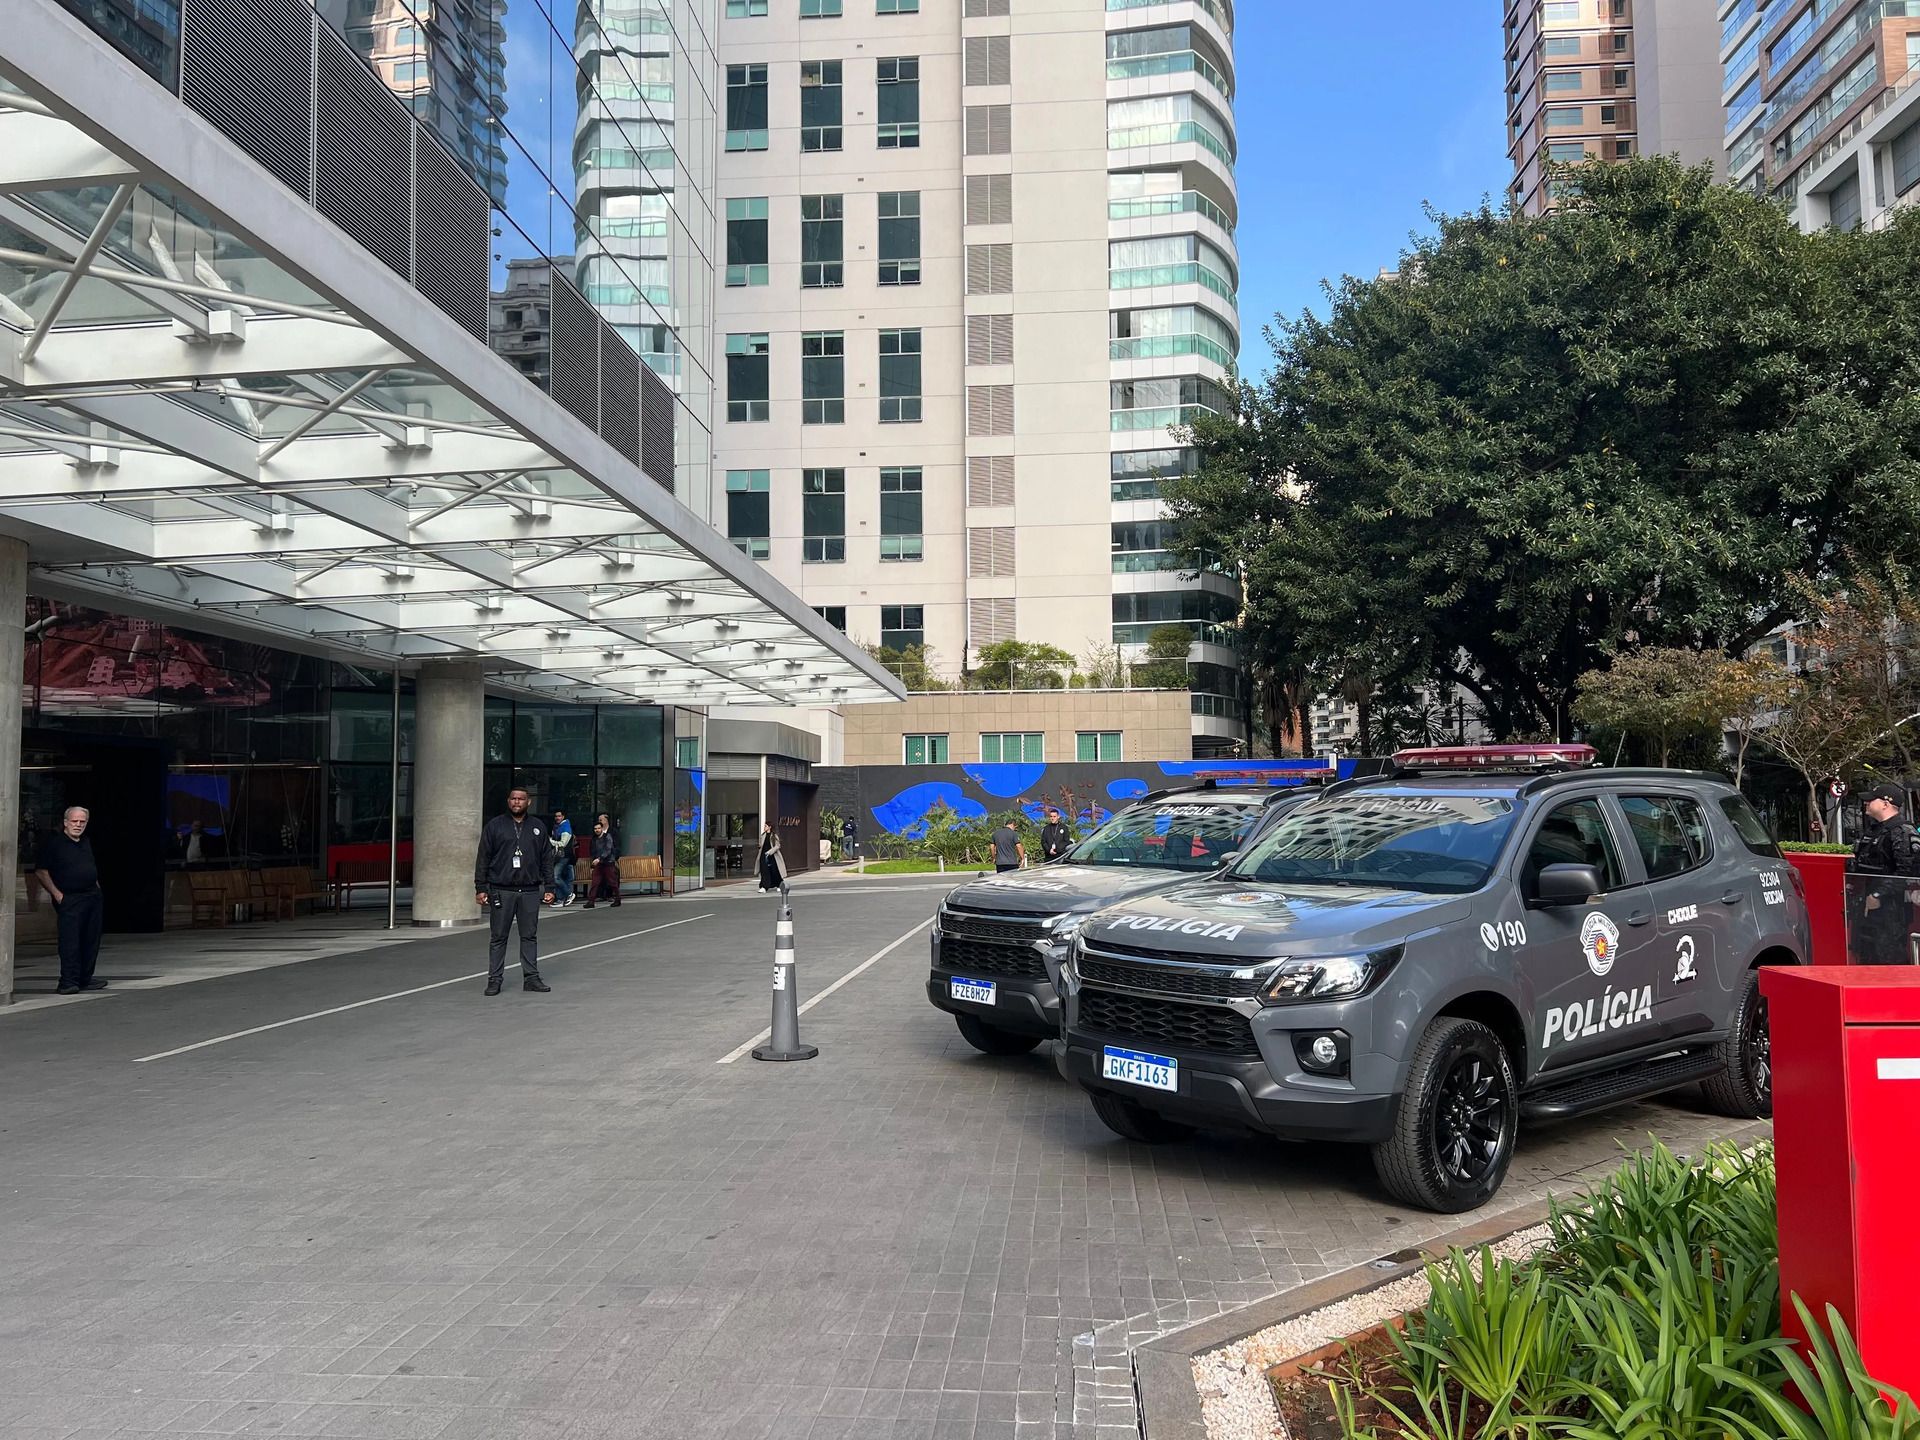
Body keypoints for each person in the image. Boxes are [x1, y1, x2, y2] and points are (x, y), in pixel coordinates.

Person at [473, 786, 556, 995]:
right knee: (498, 937)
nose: (517, 802)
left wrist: (549, 887)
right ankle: (494, 980)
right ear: (508, 801)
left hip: (529, 890)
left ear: (529, 802)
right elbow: (483, 858)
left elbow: (546, 859)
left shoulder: (538, 827)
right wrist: (481, 887)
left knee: (529, 936)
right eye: (513, 798)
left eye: (521, 799)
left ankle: (531, 978)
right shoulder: (495, 826)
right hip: (502, 890)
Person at [32, 806, 106, 995]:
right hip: (70, 898)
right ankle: (68, 981)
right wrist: (57, 895)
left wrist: (96, 887)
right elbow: (41, 871)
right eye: (74, 821)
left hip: (92, 896)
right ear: (65, 822)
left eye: (82, 822)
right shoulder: (54, 844)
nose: (78, 825)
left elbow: (90, 866)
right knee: (70, 941)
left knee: (90, 940)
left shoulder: (86, 842)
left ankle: (84, 978)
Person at [1848, 783, 1919, 965]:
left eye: (1872, 800)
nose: (1866, 803)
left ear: (1886, 804)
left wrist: (1878, 895)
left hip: (1891, 910)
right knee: (1864, 958)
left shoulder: (1902, 831)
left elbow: (1906, 872)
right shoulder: (1873, 831)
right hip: (1865, 907)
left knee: (1889, 960)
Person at [583, 818, 621, 908]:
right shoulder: (594, 839)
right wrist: (593, 862)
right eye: (595, 829)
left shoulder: (607, 837)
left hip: (608, 863)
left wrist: (599, 859)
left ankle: (618, 899)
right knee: (595, 882)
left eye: (598, 828)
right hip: (599, 864)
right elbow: (592, 851)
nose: (597, 830)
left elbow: (608, 850)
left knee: (612, 882)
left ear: (602, 828)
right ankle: (591, 901)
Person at [549, 808, 576, 907]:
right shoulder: (557, 827)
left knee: (555, 877)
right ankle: (561, 900)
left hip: (564, 856)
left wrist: (550, 841)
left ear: (563, 816)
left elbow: (563, 843)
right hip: (563, 856)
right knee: (565, 878)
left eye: (559, 816)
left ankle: (568, 894)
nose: (557, 818)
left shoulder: (565, 828)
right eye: (556, 816)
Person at [757, 822, 788, 893]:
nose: (764, 827)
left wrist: (770, 852)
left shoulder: (774, 836)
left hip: (773, 857)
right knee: (764, 871)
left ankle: (779, 885)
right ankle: (764, 887)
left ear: (769, 827)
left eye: (765, 826)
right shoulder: (763, 836)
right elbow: (761, 845)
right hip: (763, 856)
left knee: (775, 871)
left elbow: (778, 846)